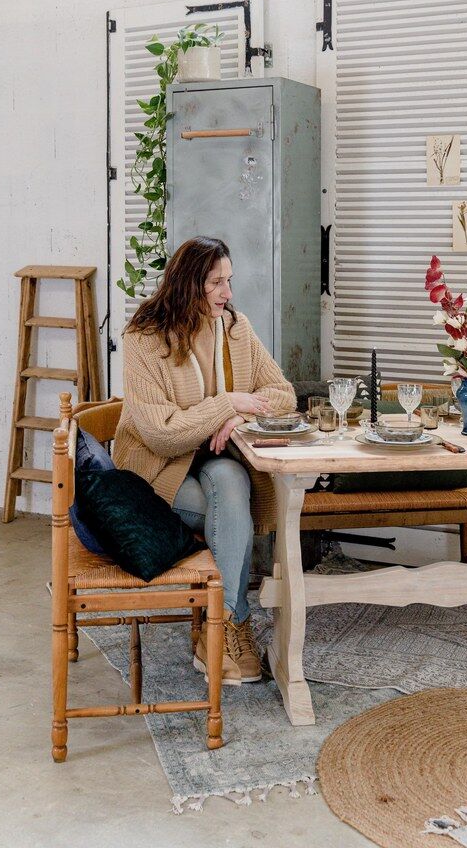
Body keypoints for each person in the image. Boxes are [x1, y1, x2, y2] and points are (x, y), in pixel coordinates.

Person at [112, 236, 296, 684]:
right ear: (186, 283)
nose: (227, 293)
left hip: (216, 459)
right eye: (216, 283)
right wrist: (229, 403)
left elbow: (283, 394)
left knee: (233, 481)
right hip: (156, 469)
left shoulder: (235, 328)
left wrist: (236, 415)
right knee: (232, 503)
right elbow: (161, 432)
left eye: (228, 281)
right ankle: (228, 627)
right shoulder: (144, 338)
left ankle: (223, 624)